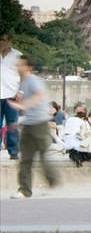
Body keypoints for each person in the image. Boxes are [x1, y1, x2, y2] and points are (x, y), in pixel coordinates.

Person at [9, 54, 60, 198]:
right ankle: (24, 190)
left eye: (21, 65)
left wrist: (22, 105)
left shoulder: (32, 80)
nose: (18, 67)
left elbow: (39, 95)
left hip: (39, 125)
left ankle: (52, 180)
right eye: (17, 65)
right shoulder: (23, 83)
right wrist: (19, 122)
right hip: (28, 125)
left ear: (28, 68)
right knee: (25, 159)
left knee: (43, 156)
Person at [1, 33, 22, 160]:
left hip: (12, 94)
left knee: (12, 125)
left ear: (9, 41)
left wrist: (21, 91)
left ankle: (13, 151)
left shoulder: (17, 55)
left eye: (3, 40)